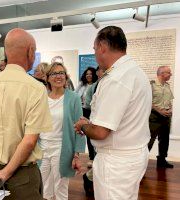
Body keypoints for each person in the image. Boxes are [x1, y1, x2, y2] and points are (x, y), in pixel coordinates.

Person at [0, 28, 53, 200]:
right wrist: (5, 173)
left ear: (6, 51)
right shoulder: (36, 88)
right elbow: (30, 140)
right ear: (30, 51)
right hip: (22, 175)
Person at [74, 26, 152, 200]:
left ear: (102, 46)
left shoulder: (116, 79)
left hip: (116, 163)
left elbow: (101, 132)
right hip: (132, 156)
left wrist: (83, 125)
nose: (95, 54)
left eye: (94, 49)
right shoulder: (135, 72)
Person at [39, 62, 85, 200]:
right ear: (47, 78)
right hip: (42, 148)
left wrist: (76, 155)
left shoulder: (73, 98)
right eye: (54, 73)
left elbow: (80, 127)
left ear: (66, 76)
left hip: (62, 148)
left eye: (61, 73)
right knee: (43, 186)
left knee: (60, 188)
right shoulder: (42, 98)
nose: (58, 76)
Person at [82, 66, 105, 196]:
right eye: (102, 70)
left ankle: (92, 178)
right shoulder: (94, 87)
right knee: (97, 149)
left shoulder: (108, 85)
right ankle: (90, 178)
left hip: (104, 122)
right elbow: (88, 104)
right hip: (95, 120)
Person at [148, 65, 174, 168]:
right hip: (154, 117)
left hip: (166, 117)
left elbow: (169, 101)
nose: (170, 74)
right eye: (169, 72)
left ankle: (162, 160)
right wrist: (159, 111)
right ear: (162, 74)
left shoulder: (167, 86)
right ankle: (142, 162)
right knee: (150, 140)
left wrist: (170, 109)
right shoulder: (151, 85)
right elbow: (147, 102)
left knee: (164, 140)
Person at [75, 67, 98, 164]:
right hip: (81, 110)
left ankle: (92, 158)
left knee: (90, 135)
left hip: (91, 111)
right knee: (77, 132)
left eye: (91, 74)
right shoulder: (82, 85)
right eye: (87, 74)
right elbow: (75, 95)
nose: (89, 75)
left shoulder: (96, 85)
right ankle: (75, 155)